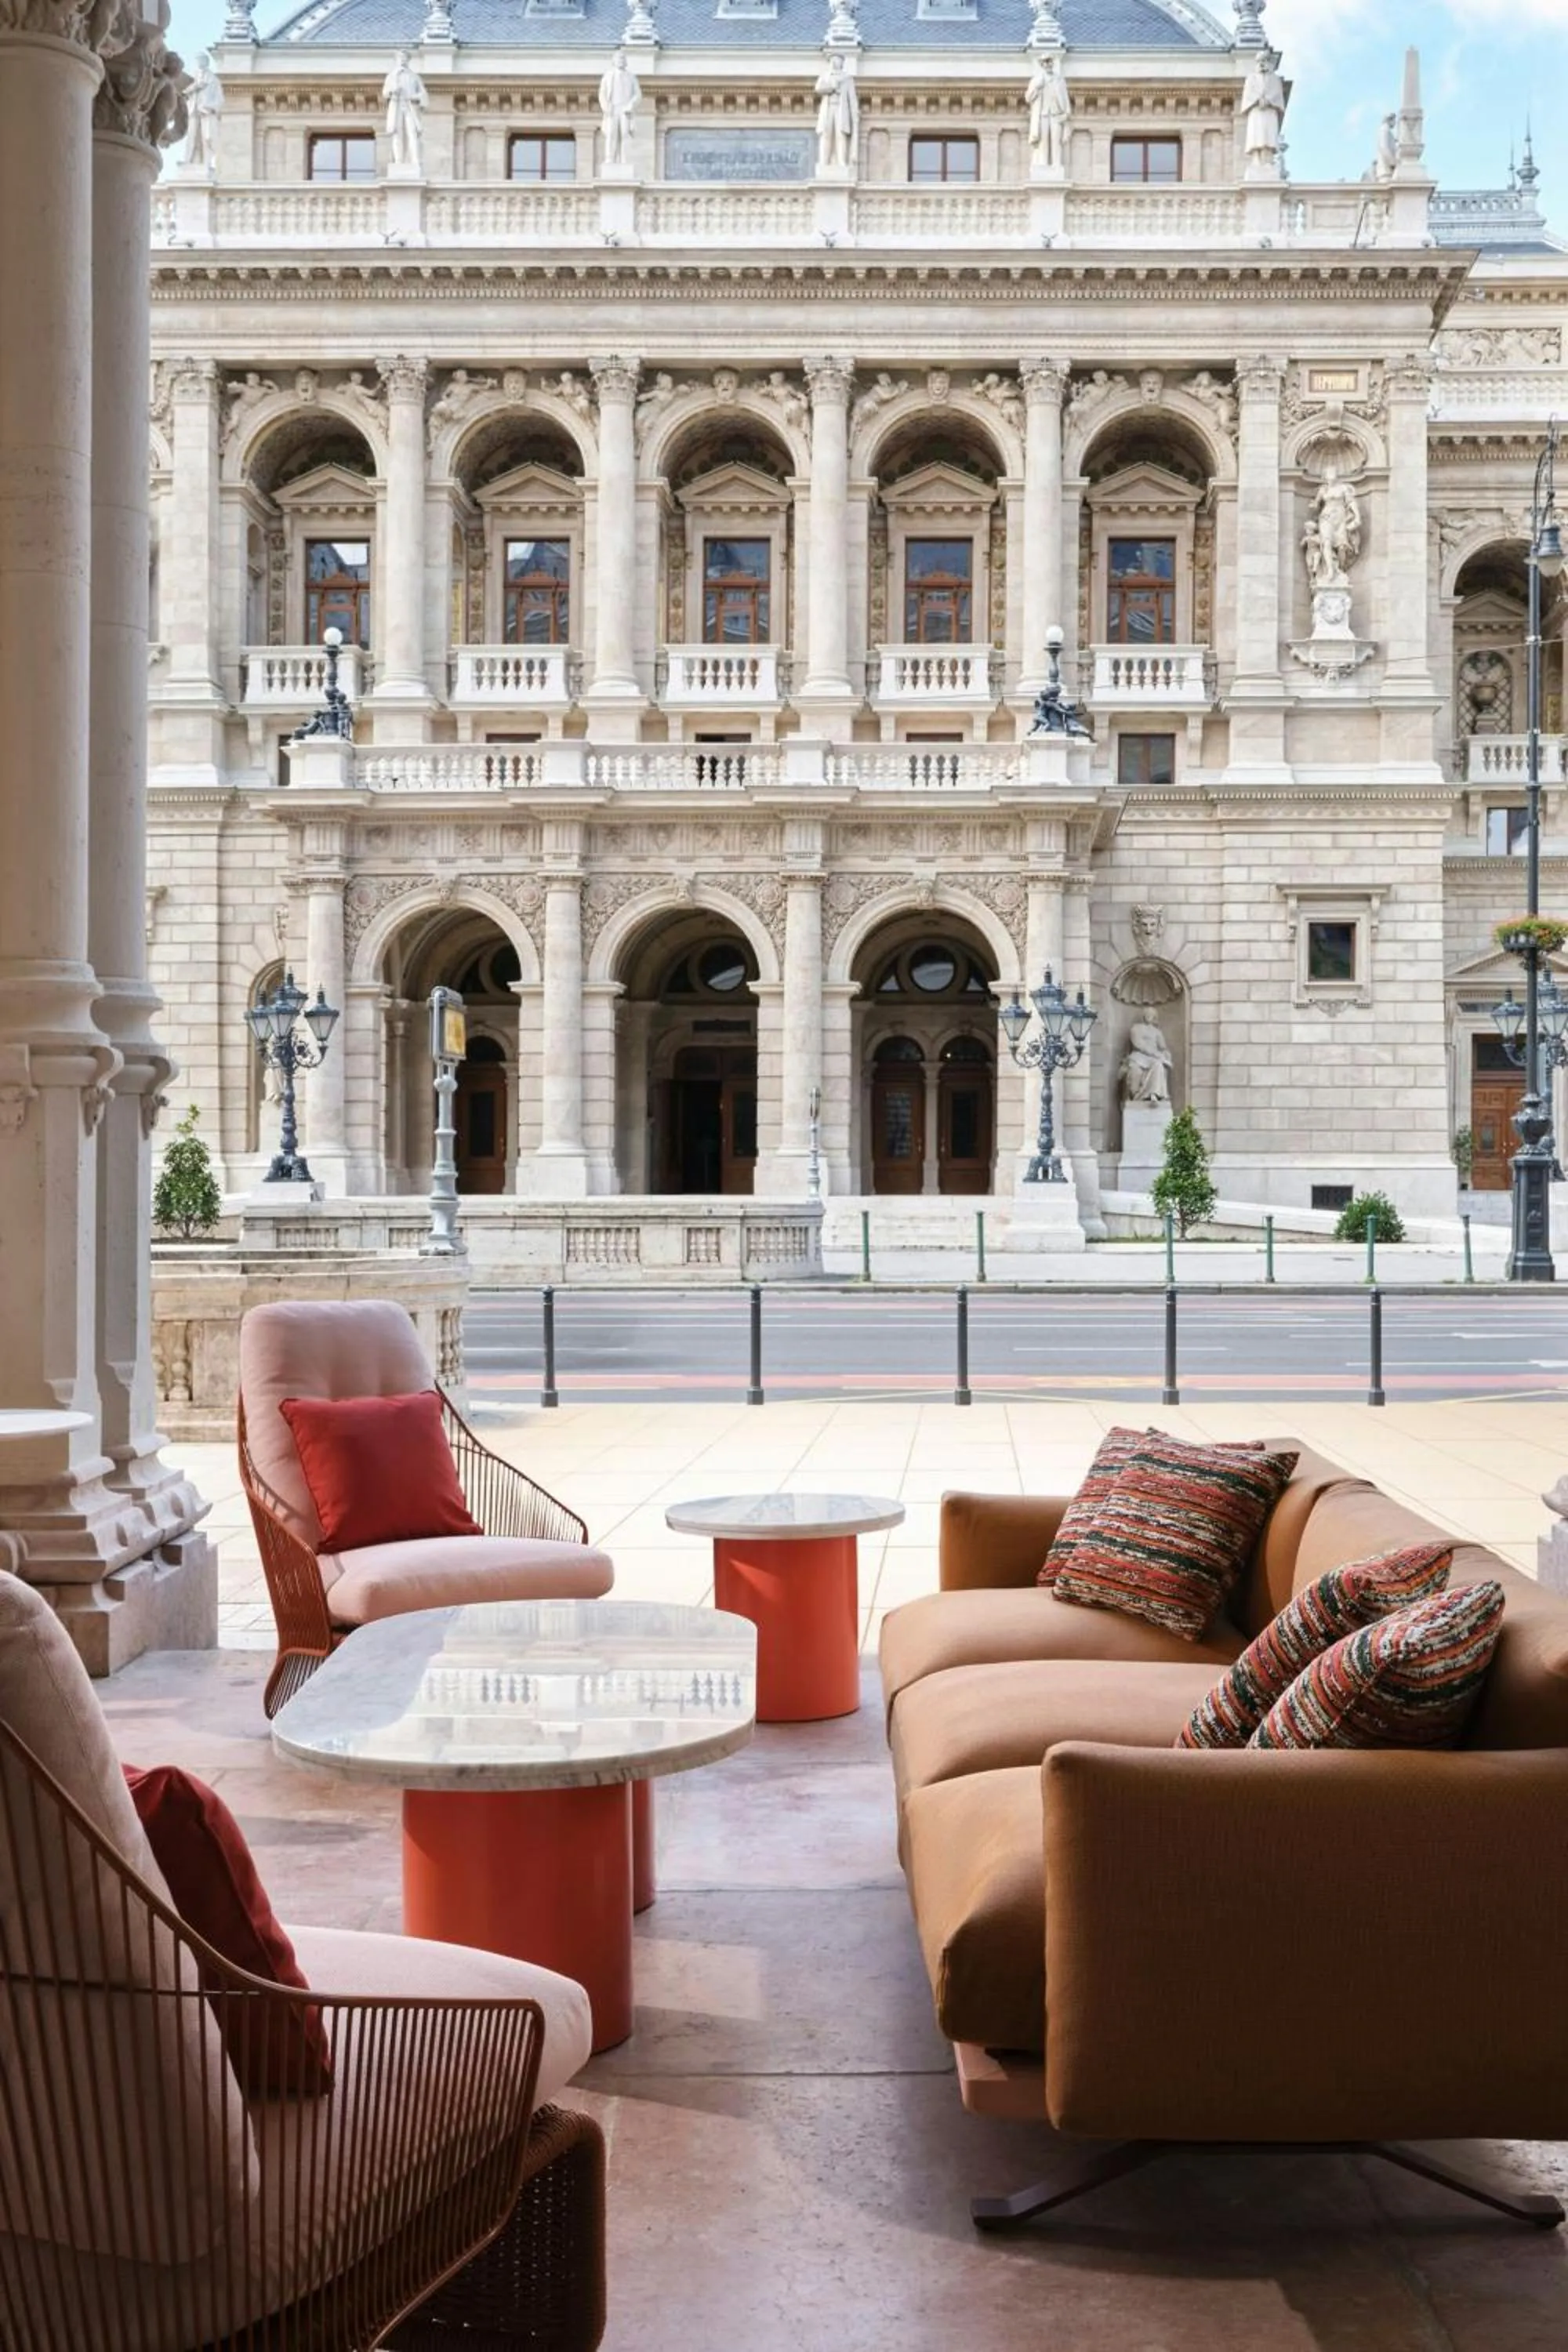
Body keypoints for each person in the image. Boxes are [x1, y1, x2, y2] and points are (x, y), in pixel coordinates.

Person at [381, 49, 427, 174]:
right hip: (397, 105)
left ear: (408, 60)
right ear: (397, 60)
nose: (403, 60)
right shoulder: (392, 76)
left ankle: (415, 160)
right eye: (400, 58)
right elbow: (385, 93)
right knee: (397, 133)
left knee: (412, 133)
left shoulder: (414, 77)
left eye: (405, 58)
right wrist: (393, 92)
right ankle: (399, 161)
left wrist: (414, 97)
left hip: (410, 107)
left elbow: (423, 94)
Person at [1240, 48, 1285, 172]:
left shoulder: (1275, 79)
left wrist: (1269, 100)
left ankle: (1268, 160)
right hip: (1256, 111)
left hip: (1270, 111)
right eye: (1260, 61)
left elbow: (1277, 94)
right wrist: (1257, 100)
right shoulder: (1251, 78)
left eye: (1265, 60)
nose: (1262, 63)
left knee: (1268, 136)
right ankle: (1256, 159)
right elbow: (1248, 95)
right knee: (1257, 136)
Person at [1025, 54, 1070, 174]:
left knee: (1057, 140)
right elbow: (1028, 98)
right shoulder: (1036, 80)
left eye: (1050, 61)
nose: (1048, 64)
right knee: (1043, 140)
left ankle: (1056, 164)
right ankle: (1043, 164)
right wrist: (1037, 88)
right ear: (1042, 64)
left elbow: (1064, 98)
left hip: (1057, 114)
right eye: (1045, 62)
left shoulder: (1059, 80)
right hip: (1043, 114)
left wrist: (1067, 113)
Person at [598, 48, 641, 172]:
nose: (621, 61)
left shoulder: (631, 77)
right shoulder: (608, 76)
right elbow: (603, 93)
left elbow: (637, 95)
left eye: (623, 58)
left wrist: (630, 106)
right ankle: (610, 159)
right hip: (612, 109)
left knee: (625, 134)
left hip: (625, 110)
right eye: (618, 58)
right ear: (614, 61)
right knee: (612, 134)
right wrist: (606, 107)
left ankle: (624, 159)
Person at [815, 53, 858, 173]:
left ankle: (842, 162)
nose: (835, 62)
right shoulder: (825, 76)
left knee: (841, 135)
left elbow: (852, 98)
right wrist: (832, 88)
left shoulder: (847, 78)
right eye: (833, 60)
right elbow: (818, 88)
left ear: (841, 63)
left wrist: (855, 113)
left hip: (841, 109)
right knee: (826, 134)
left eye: (838, 60)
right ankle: (824, 161)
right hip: (828, 108)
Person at [180, 51, 222, 174]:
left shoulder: (213, 79)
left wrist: (211, 108)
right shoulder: (194, 76)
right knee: (192, 136)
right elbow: (184, 92)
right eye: (199, 60)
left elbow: (219, 99)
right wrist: (195, 87)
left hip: (206, 112)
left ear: (206, 62)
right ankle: (189, 161)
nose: (200, 62)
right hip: (193, 110)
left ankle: (207, 163)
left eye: (202, 60)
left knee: (207, 137)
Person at [1120, 1018, 1173, 1108]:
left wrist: (1166, 1054)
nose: (1149, 1016)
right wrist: (1155, 1053)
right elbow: (1138, 1044)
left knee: (1158, 1065)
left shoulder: (1157, 1032)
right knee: (1135, 1070)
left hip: (1153, 1059)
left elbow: (1162, 1047)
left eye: (1152, 1014)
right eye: (1148, 1014)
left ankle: (1154, 1094)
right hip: (1139, 1056)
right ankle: (1138, 1096)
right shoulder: (1136, 1028)